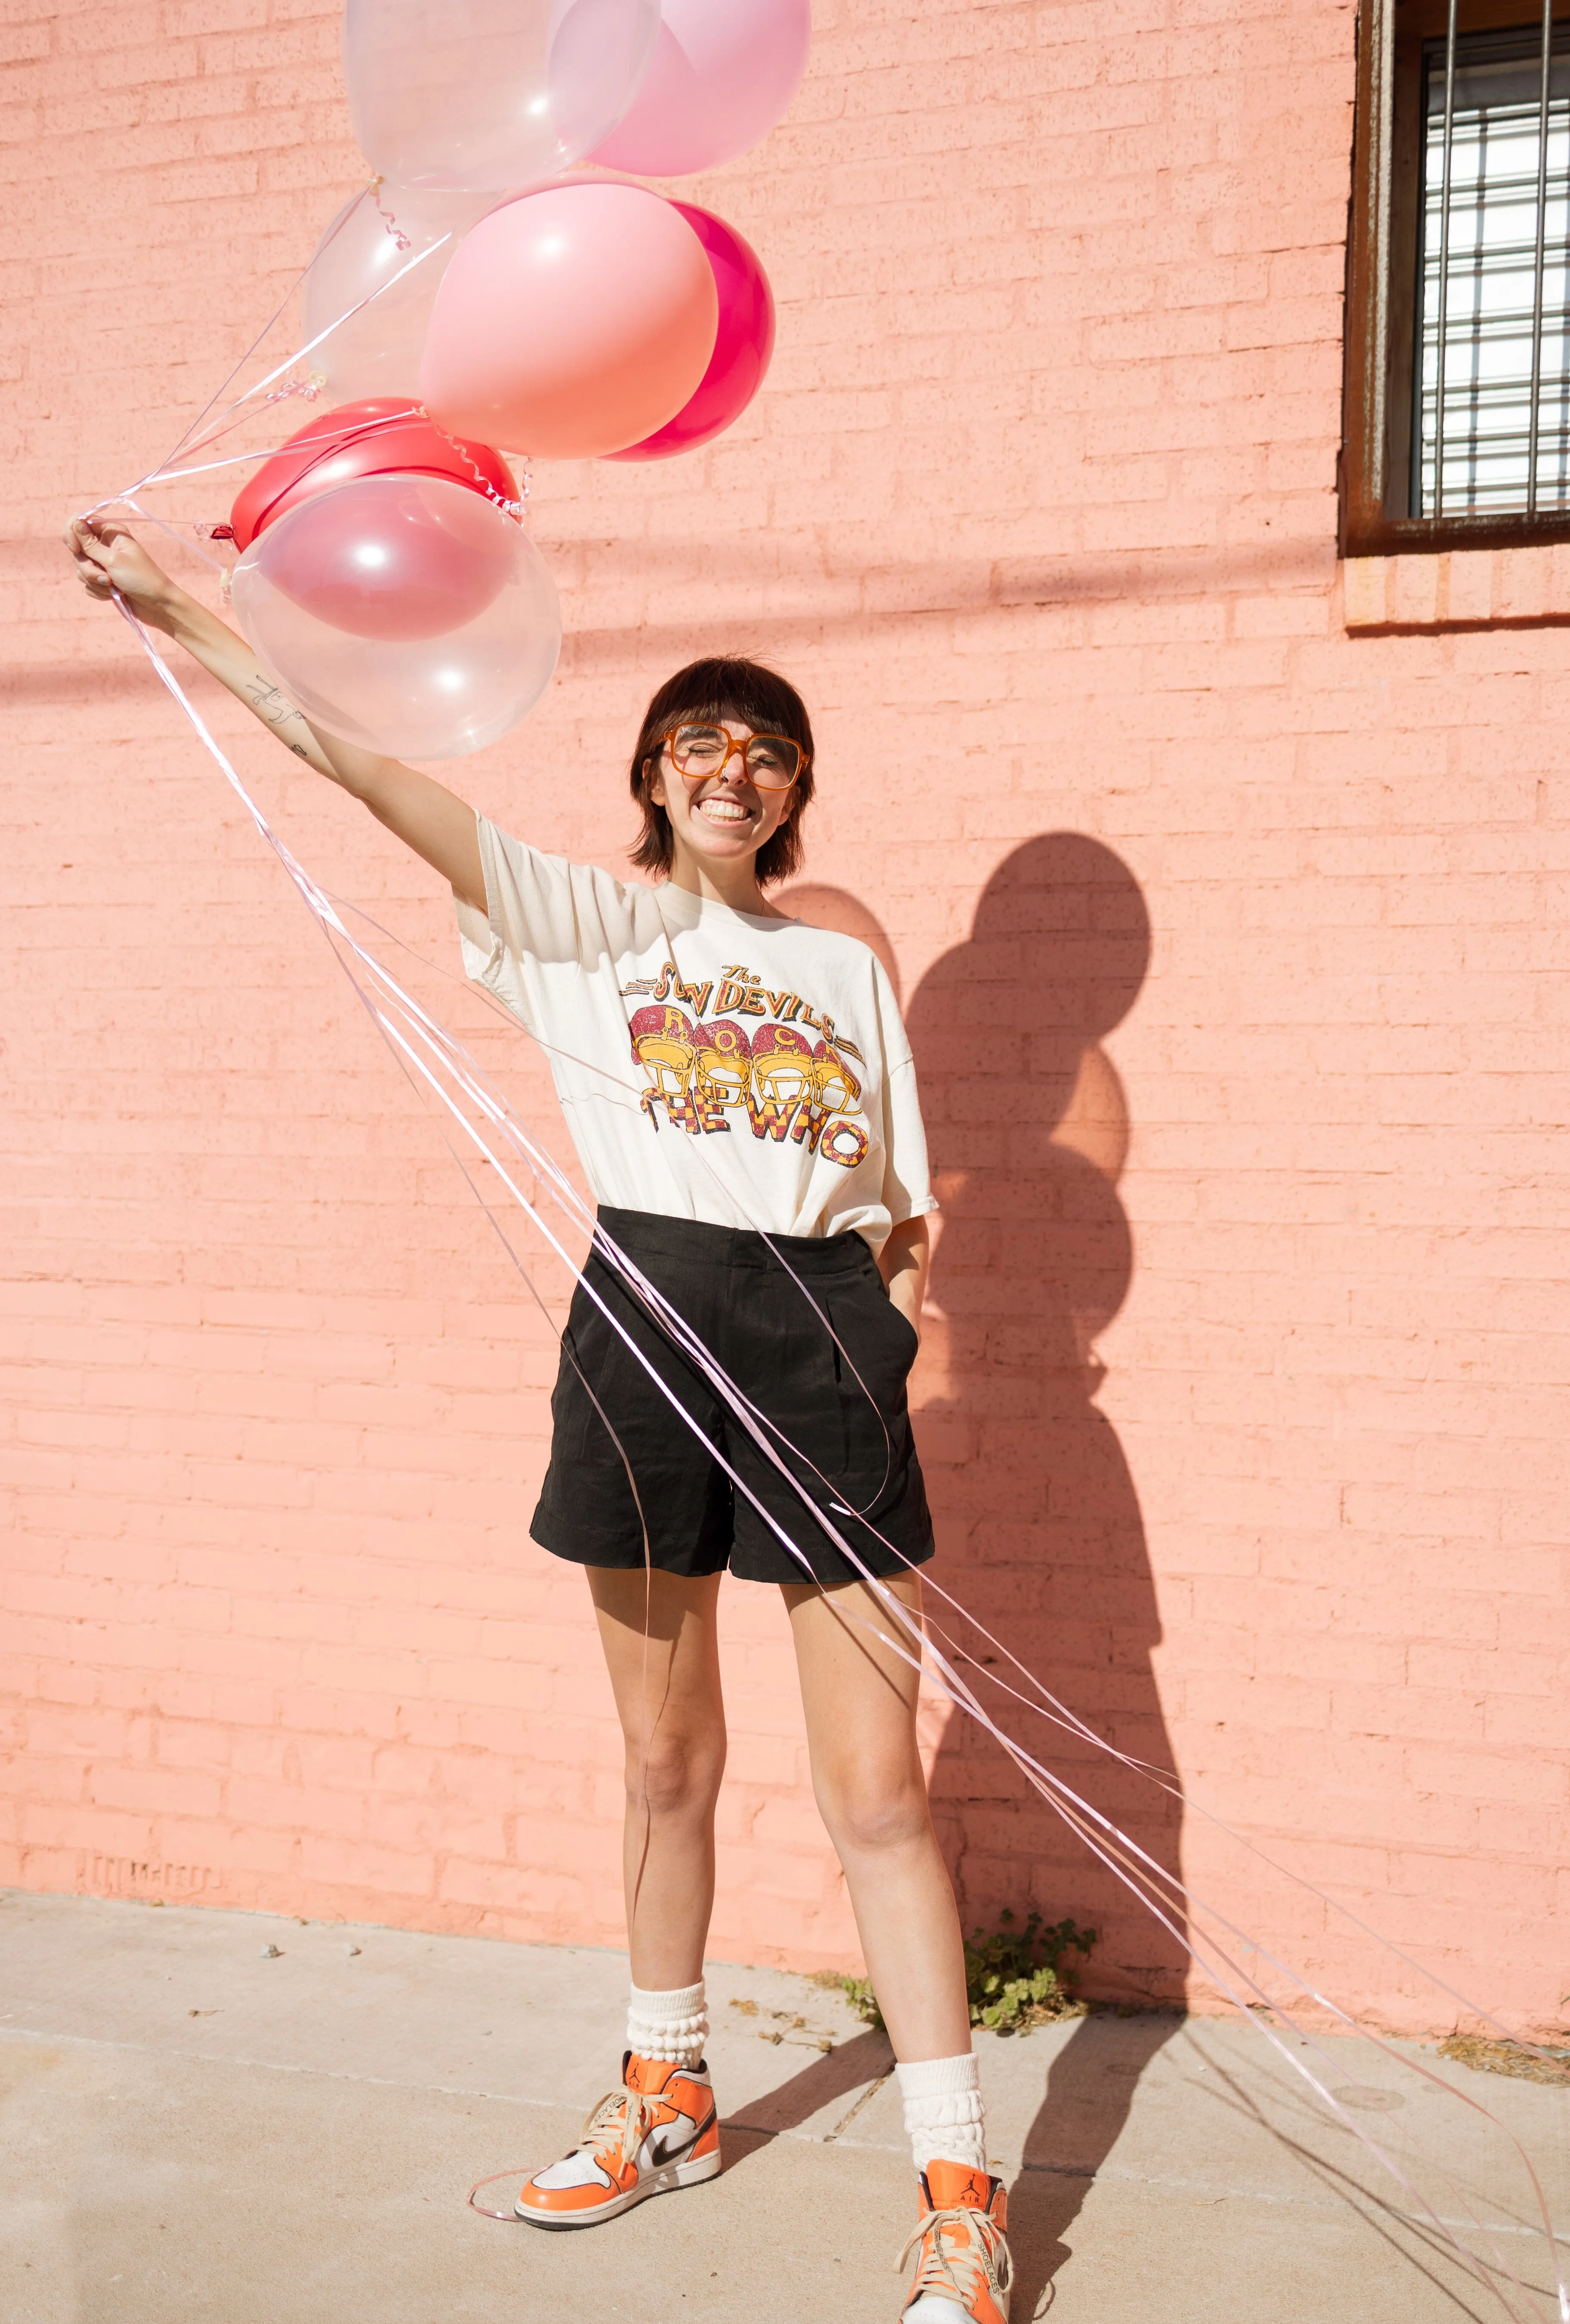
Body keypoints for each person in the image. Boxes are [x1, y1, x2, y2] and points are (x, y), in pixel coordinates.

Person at [65, 515, 1014, 2324]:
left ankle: (958, 2191)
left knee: (878, 1793)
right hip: (648, 1311)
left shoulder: (839, 967)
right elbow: (361, 768)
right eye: (698, 741)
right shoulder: (582, 920)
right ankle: (670, 2091)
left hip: (818, 1333)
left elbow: (897, 1208)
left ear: (792, 788)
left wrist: (879, 1336)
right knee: (665, 1763)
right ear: (652, 777)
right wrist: (191, 607)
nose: (733, 766)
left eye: (766, 747)